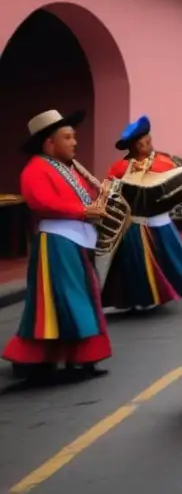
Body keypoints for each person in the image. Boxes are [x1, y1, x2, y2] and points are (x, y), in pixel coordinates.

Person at [3, 110, 112, 382]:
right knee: (68, 299)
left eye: (73, 137)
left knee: (79, 297)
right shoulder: (35, 170)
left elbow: (83, 199)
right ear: (49, 143)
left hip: (74, 240)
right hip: (56, 243)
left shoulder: (67, 169)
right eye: (68, 137)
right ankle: (74, 358)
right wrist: (85, 211)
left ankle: (76, 357)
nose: (75, 143)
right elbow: (43, 203)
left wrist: (101, 202)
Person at [103, 115, 182, 311]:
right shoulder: (119, 168)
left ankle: (165, 292)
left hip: (160, 220)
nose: (146, 143)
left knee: (169, 260)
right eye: (141, 141)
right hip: (134, 223)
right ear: (133, 145)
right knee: (134, 264)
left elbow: (180, 186)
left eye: (148, 139)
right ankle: (139, 298)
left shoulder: (164, 162)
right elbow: (109, 192)